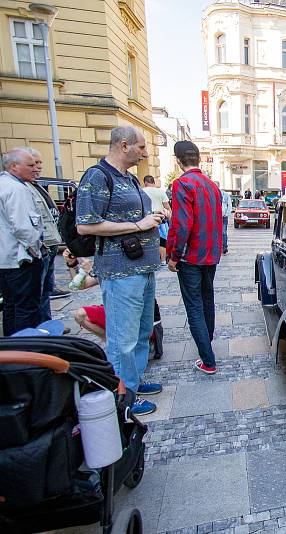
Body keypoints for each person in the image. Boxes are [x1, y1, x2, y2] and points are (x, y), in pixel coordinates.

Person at [76, 126, 164, 416]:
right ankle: (122, 396)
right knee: (122, 339)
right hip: (121, 271)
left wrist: (151, 219)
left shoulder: (128, 178)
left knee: (140, 333)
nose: (144, 153)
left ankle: (133, 382)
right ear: (123, 145)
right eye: (140, 147)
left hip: (142, 268)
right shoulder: (97, 176)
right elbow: (86, 225)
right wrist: (139, 225)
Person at [167, 141, 223, 375]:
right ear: (198, 158)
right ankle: (206, 341)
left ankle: (207, 359)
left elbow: (181, 224)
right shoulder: (212, 185)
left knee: (194, 306)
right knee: (207, 300)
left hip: (191, 256)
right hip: (211, 254)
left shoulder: (182, 184)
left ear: (178, 160)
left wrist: (173, 255)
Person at [0, 148, 46, 335]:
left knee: (11, 305)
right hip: (21, 260)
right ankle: (27, 350)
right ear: (14, 167)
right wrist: (37, 251)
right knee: (26, 308)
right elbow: (24, 227)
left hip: (6, 260)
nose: (35, 168)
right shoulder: (17, 189)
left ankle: (14, 348)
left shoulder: (4, 184)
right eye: (30, 165)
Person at [24, 148, 69, 323]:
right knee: (37, 291)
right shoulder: (22, 187)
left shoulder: (34, 185)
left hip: (49, 243)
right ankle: (39, 329)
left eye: (39, 163)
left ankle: (46, 324)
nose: (38, 167)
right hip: (39, 246)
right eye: (33, 163)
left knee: (46, 289)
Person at [142, 175, 171, 266]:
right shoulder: (160, 191)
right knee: (162, 241)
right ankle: (162, 260)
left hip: (146, 219)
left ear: (145, 182)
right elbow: (167, 207)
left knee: (147, 240)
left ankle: (150, 260)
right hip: (161, 219)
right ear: (153, 182)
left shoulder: (141, 191)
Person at [216, 182, 232, 255]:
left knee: (223, 232)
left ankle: (224, 247)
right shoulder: (210, 193)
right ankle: (216, 247)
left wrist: (227, 214)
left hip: (223, 216)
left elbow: (229, 205)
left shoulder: (225, 194)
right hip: (214, 217)